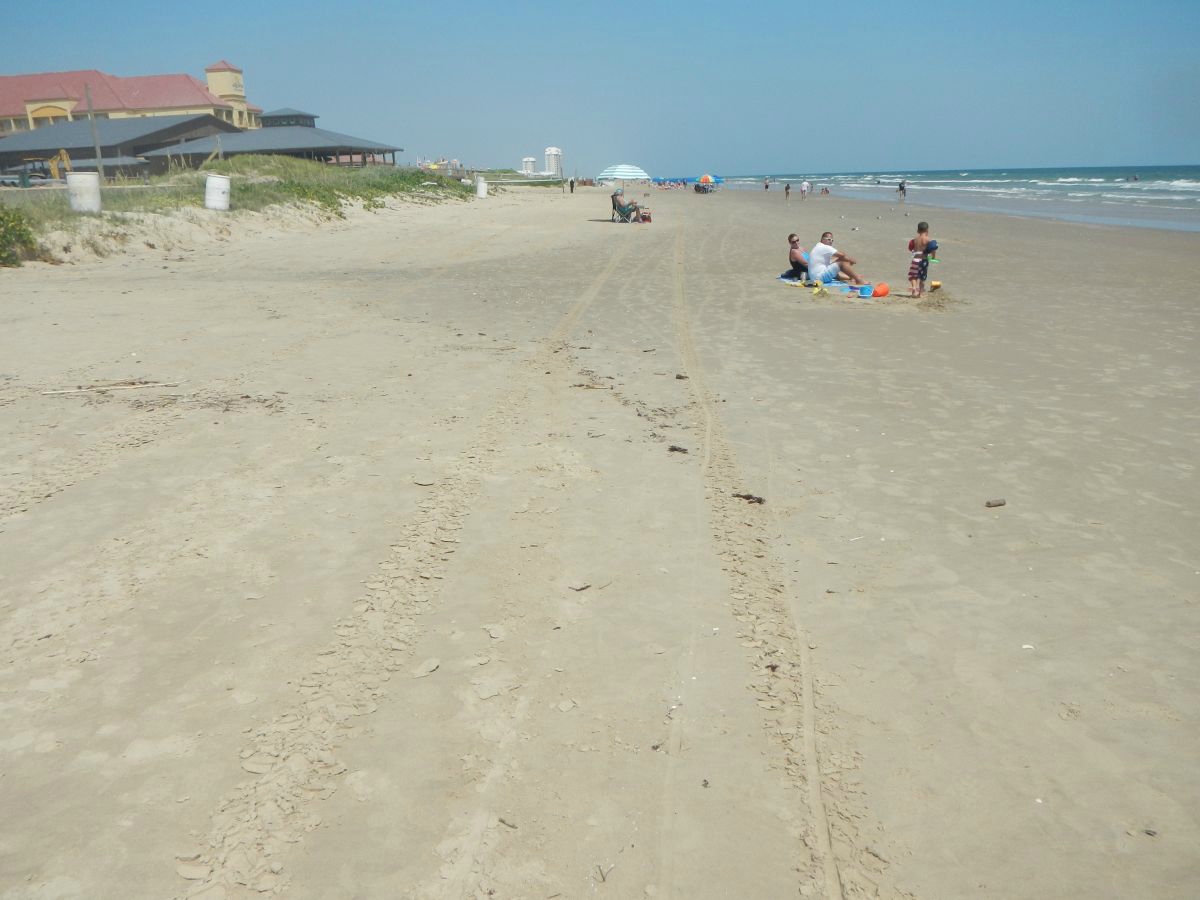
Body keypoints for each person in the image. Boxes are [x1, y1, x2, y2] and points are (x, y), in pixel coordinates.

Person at [906, 221, 938, 297]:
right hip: (923, 260)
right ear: (927, 231)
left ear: (918, 231)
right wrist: (933, 257)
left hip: (915, 260)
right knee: (922, 277)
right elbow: (933, 249)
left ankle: (914, 289)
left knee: (913, 276)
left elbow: (911, 248)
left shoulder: (915, 239)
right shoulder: (928, 240)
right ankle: (920, 293)